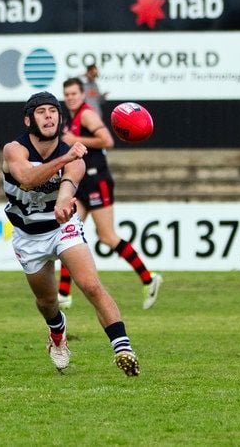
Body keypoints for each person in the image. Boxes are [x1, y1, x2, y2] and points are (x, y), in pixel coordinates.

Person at [3, 91, 139, 376]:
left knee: (90, 285)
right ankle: (57, 332)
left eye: (53, 111)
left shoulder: (75, 156)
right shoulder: (15, 149)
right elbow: (27, 179)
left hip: (61, 228)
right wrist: (64, 158)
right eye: (41, 112)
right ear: (29, 119)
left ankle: (123, 348)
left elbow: (68, 185)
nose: (49, 115)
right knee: (47, 302)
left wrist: (65, 201)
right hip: (28, 236)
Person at [57, 77, 162, 310]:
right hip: (83, 181)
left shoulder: (86, 114)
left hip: (97, 179)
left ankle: (148, 278)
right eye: (67, 94)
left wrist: (76, 140)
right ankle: (63, 293)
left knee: (107, 236)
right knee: (69, 233)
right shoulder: (72, 118)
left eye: (74, 93)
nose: (71, 97)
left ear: (83, 95)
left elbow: (107, 140)